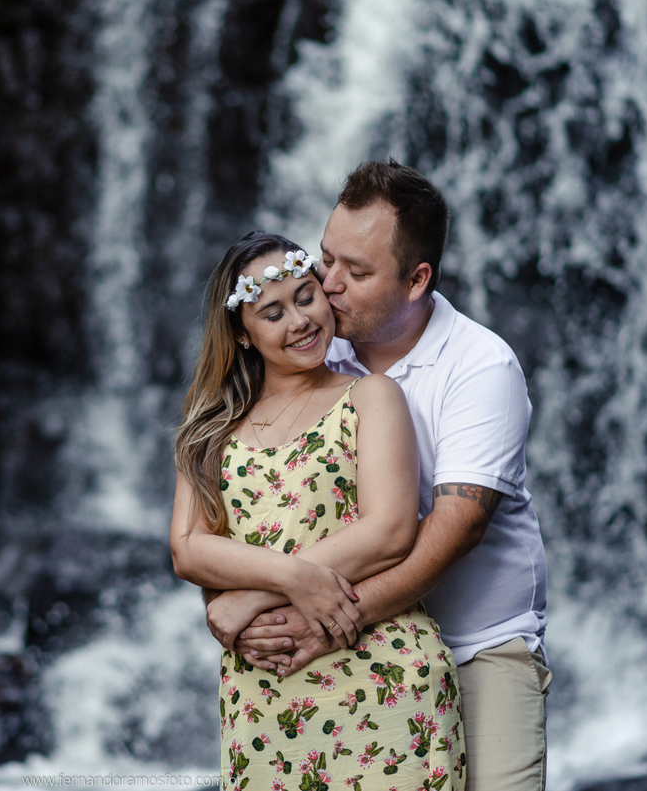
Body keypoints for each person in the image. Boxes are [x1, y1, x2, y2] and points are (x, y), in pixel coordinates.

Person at [206, 161, 551, 791]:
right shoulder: (310, 344)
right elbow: (246, 492)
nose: (327, 285)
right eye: (326, 258)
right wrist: (236, 602)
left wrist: (309, 617)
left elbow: (454, 531)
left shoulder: (480, 366)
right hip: (349, 650)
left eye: (357, 273)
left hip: (474, 645)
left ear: (416, 279)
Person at [170, 231, 465, 791]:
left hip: (387, 682)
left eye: (306, 297)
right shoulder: (207, 430)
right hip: (266, 697)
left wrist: (248, 599)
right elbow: (189, 549)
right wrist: (288, 578)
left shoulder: (370, 395)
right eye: (272, 312)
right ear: (242, 333)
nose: (299, 321)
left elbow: (391, 530)